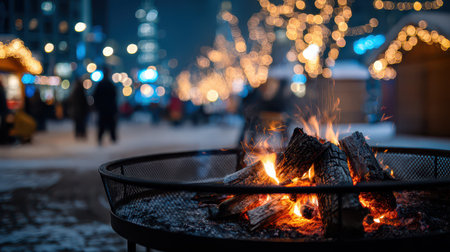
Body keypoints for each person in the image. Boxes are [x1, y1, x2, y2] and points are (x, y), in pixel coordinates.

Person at [93, 68, 118, 146]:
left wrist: (97, 106)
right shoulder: (110, 84)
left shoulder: (100, 84)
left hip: (103, 109)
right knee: (111, 125)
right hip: (109, 108)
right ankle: (113, 139)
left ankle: (100, 139)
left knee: (102, 125)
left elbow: (95, 96)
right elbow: (115, 96)